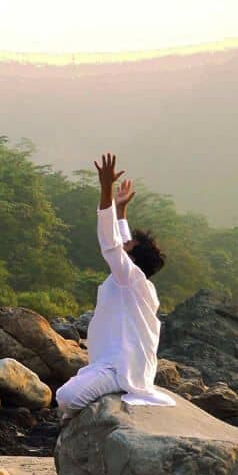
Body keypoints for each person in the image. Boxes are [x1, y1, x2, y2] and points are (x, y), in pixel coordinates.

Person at [55, 153, 175, 420]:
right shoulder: (137, 281)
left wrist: (106, 189)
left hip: (120, 368)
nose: (123, 245)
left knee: (65, 397)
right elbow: (121, 240)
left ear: (131, 258)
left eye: (127, 248)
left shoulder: (128, 278)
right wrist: (121, 210)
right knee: (71, 393)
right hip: (120, 363)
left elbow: (110, 243)